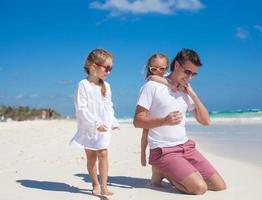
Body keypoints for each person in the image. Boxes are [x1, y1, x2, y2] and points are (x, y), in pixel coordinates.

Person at [133, 49, 226, 195]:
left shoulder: (185, 90)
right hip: (164, 151)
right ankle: (162, 170)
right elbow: (138, 121)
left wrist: (193, 94)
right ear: (176, 65)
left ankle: (173, 172)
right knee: (200, 189)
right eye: (187, 72)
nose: (189, 77)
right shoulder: (152, 86)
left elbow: (205, 121)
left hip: (186, 147)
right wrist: (164, 120)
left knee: (219, 186)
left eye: (193, 74)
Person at [70, 48, 119, 197]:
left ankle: (104, 186)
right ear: (93, 66)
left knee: (103, 153)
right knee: (91, 156)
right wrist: (95, 123)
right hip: (88, 126)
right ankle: (95, 183)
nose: (109, 71)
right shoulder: (83, 85)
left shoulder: (106, 86)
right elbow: (81, 108)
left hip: (103, 127)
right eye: (107, 67)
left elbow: (108, 106)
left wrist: (113, 121)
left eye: (111, 68)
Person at [140, 53, 170, 168]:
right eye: (154, 69)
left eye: (162, 68)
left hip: (161, 107)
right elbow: (152, 78)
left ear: (166, 67)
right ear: (149, 68)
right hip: (150, 106)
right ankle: (142, 153)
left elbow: (172, 82)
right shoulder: (150, 80)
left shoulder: (167, 76)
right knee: (145, 131)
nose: (158, 71)